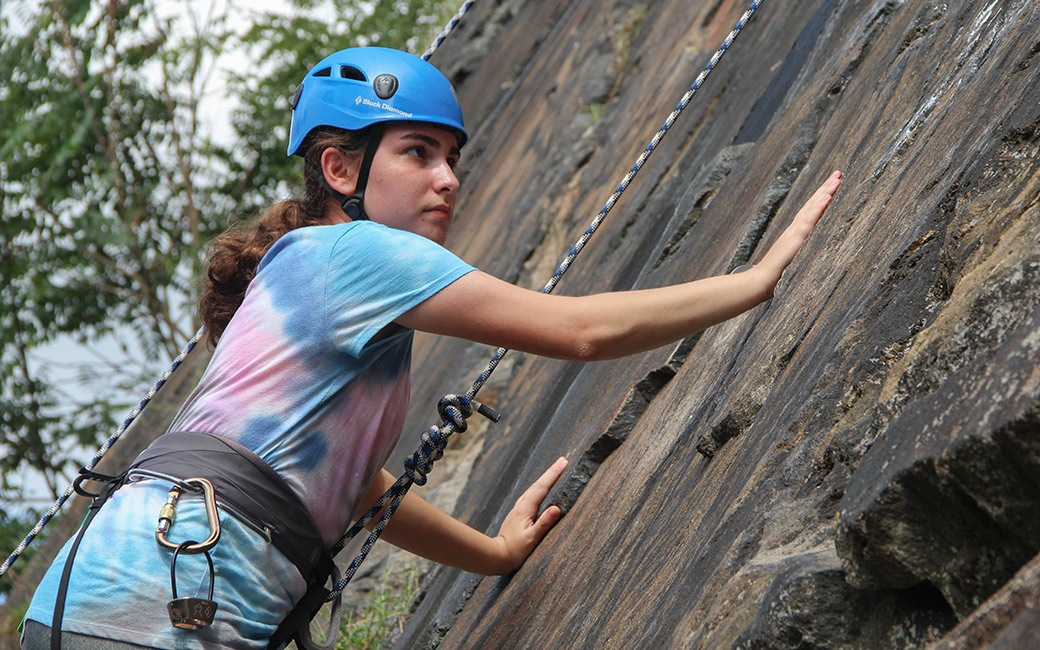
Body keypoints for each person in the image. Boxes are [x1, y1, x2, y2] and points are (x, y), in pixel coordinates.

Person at [20, 46, 842, 649]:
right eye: (417, 153)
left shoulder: (306, 276)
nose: (447, 177)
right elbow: (580, 330)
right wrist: (757, 280)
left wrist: (490, 556)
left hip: (110, 590)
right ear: (340, 166)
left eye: (450, 158)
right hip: (169, 597)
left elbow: (354, 484)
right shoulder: (360, 255)